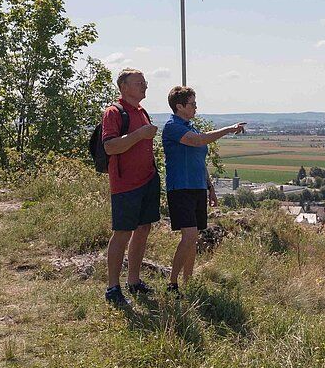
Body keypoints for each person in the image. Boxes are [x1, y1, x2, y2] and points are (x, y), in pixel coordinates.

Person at [162, 86, 245, 295]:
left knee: (194, 237)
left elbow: (199, 160)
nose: (196, 107)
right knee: (189, 236)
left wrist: (210, 188)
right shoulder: (173, 127)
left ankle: (188, 282)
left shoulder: (192, 127)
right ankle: (172, 283)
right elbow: (198, 142)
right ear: (179, 106)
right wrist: (227, 130)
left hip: (197, 186)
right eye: (192, 104)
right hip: (181, 188)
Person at [101, 69, 160, 306]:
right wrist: (139, 134)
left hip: (147, 180)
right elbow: (110, 147)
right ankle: (113, 288)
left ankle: (133, 281)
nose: (144, 86)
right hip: (125, 183)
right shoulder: (114, 112)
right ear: (123, 87)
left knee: (143, 229)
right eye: (138, 83)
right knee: (123, 232)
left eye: (145, 82)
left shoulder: (142, 111)